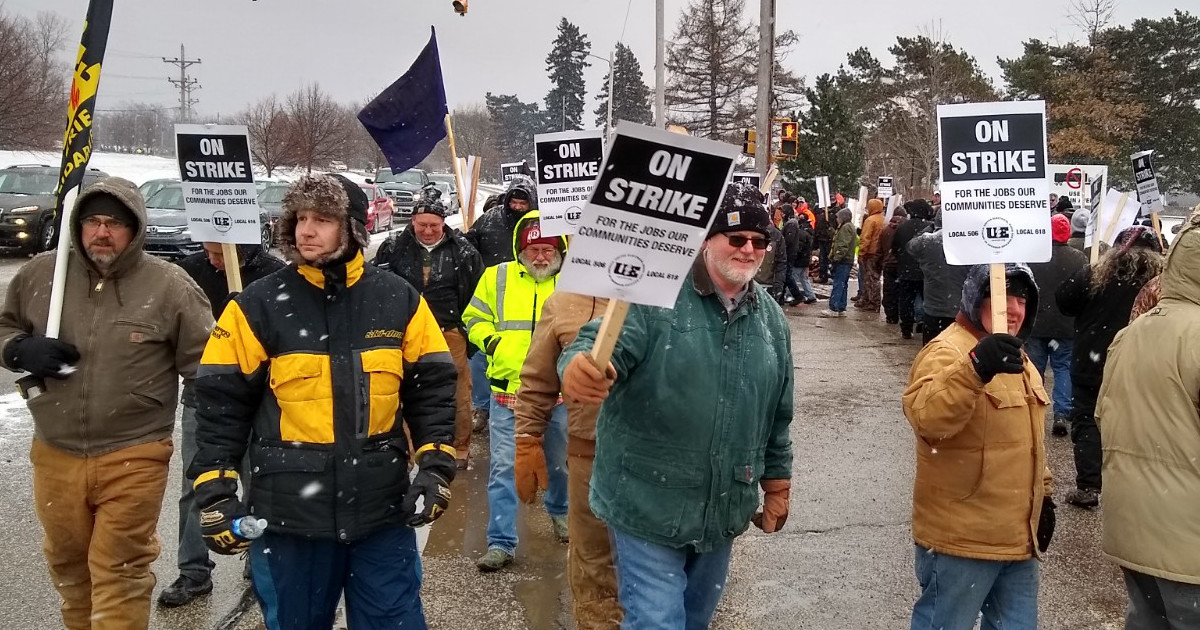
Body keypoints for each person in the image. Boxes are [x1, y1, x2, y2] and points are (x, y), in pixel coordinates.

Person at [190, 174, 457, 628]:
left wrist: (435, 466)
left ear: (352, 227)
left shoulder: (398, 299)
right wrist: (215, 490)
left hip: (381, 513)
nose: (306, 230)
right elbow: (220, 405)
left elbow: (431, 390)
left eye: (323, 219)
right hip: (290, 520)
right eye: (300, 219)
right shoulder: (256, 305)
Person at [558, 182, 793, 629]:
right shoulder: (653, 296)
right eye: (737, 238)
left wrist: (777, 486)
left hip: (722, 510)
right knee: (657, 623)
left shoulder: (773, 322)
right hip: (647, 503)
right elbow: (595, 344)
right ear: (708, 238)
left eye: (759, 241)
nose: (748, 249)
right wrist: (578, 368)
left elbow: (778, 415)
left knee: (693, 622)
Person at [0, 177, 213, 629]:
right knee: (70, 570)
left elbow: (208, 368)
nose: (102, 232)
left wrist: (222, 437)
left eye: (115, 224)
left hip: (134, 452)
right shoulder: (43, 274)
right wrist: (19, 349)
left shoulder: (170, 285)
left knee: (120, 571)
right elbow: (4, 328)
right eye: (93, 221)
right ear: (78, 225)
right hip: (55, 452)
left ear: (135, 230)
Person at [903, 263, 1054, 630]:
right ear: (975, 300)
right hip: (963, 543)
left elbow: (1028, 440)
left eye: (1022, 299)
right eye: (1002, 297)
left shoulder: (1019, 358)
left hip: (1018, 541)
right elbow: (928, 418)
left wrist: (1044, 496)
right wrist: (974, 370)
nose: (1014, 309)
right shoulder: (947, 352)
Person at [161, 242, 285, 607]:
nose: (213, 260)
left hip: (260, 396)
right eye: (209, 252)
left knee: (258, 479)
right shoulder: (189, 272)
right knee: (197, 483)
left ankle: (258, 553)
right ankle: (193, 570)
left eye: (221, 253)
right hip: (202, 393)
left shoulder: (272, 274)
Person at [1097, 216, 1200, 628]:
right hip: (1188, 534)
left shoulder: (1132, 333)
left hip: (1133, 521)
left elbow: (1104, 414)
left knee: (1148, 620)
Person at [462, 211, 570, 572]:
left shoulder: (574, 283)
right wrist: (492, 342)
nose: (540, 256)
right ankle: (501, 541)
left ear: (560, 250)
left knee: (560, 464)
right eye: (534, 249)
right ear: (521, 249)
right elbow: (473, 317)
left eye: (547, 249)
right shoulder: (497, 277)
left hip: (558, 395)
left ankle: (560, 512)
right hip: (508, 392)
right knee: (504, 469)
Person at [514, 292, 622, 628]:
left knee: (658, 571)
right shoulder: (562, 303)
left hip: (660, 460)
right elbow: (537, 379)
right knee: (594, 566)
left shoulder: (674, 296)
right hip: (588, 456)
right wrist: (527, 438)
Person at [1056, 225, 1164, 509]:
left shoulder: (1096, 274)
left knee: (1087, 420)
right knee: (1135, 422)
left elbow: (1064, 301)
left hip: (1093, 358)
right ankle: (1129, 486)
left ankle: (1089, 484)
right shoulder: (1162, 282)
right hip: (1137, 361)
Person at [374, 197, 484, 470]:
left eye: (434, 225)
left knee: (457, 390)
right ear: (412, 222)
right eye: (422, 224)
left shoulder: (463, 251)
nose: (427, 230)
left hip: (449, 331)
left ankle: (460, 448)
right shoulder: (394, 248)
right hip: (405, 330)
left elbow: (474, 292)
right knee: (403, 388)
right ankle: (410, 448)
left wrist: (464, 328)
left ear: (443, 223)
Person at [465, 175, 539, 435]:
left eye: (524, 202)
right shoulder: (490, 218)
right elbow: (468, 245)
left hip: (531, 292)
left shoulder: (543, 221)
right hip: (493, 293)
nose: (518, 206)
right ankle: (482, 408)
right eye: (514, 201)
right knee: (482, 356)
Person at [1026, 214, 1088, 438]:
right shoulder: (1079, 259)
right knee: (1063, 369)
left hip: (1036, 322)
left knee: (1033, 369)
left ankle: (1033, 411)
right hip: (1066, 324)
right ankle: (1061, 413)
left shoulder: (1034, 257)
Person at [907, 226, 969, 345]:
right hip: (962, 310)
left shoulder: (929, 241)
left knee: (932, 352)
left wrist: (927, 229)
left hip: (934, 309)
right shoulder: (968, 239)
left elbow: (911, 245)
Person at [892, 200, 936, 340]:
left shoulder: (902, 227)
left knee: (906, 299)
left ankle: (906, 327)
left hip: (905, 271)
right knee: (926, 299)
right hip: (924, 272)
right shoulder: (930, 228)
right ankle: (924, 323)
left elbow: (895, 248)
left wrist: (902, 261)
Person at [820, 207, 857, 317]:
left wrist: (836, 259)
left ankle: (834, 307)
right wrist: (831, 230)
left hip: (843, 260)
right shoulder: (847, 227)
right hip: (846, 260)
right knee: (843, 284)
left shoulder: (846, 228)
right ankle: (841, 306)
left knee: (838, 283)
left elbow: (842, 245)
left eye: (838, 217)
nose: (836, 219)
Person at [877, 205, 908, 325]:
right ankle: (902, 313)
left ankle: (891, 315)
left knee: (889, 290)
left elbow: (879, 249)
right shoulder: (907, 229)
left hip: (888, 264)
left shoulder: (885, 230)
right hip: (902, 264)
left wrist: (879, 262)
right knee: (903, 291)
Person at [856, 198, 886, 312]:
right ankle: (873, 301)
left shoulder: (870, 220)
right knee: (875, 278)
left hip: (870, 253)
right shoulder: (884, 219)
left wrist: (861, 253)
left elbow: (865, 238)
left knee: (868, 278)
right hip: (879, 253)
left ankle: (871, 301)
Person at [783, 204, 817, 305]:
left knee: (791, 276)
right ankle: (810, 295)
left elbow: (796, 245)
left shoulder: (799, 230)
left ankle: (792, 295)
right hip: (804, 258)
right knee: (803, 278)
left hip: (799, 259)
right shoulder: (807, 231)